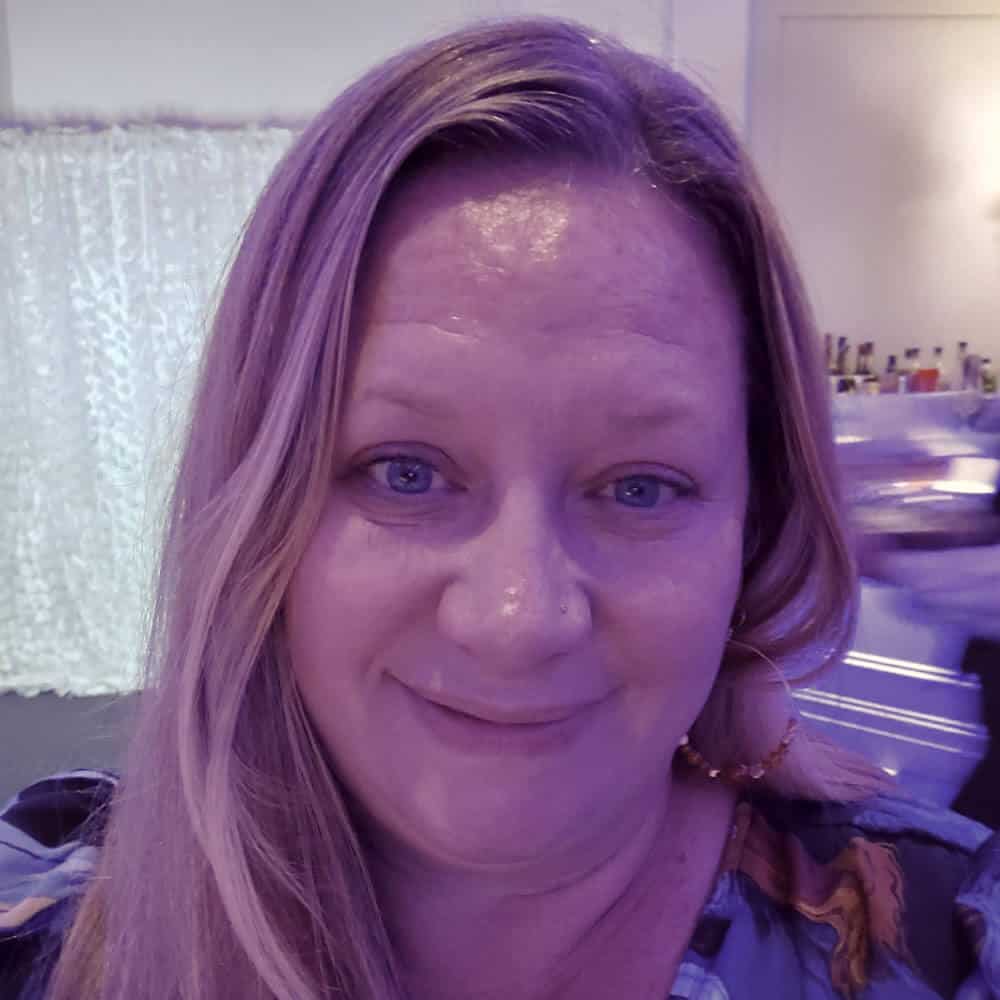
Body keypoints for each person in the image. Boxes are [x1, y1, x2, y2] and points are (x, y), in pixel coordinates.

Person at [1, 16, 998, 1000]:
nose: (518, 619)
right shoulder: (40, 923)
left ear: (755, 528)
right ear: (256, 505)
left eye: (640, 487)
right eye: (405, 472)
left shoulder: (946, 938)